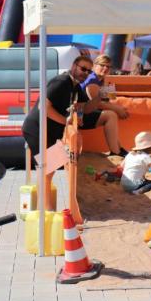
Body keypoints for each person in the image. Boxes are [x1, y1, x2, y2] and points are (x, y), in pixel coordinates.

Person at [22, 55, 99, 206]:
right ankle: (46, 210)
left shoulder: (75, 85)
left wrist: (100, 97)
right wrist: (66, 121)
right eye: (83, 68)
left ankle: (43, 208)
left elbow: (86, 107)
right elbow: (43, 107)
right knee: (47, 170)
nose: (85, 73)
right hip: (37, 128)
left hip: (49, 130)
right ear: (74, 66)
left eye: (89, 72)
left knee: (49, 169)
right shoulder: (62, 81)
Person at [79, 54, 130, 157]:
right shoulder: (91, 79)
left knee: (112, 114)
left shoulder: (104, 80)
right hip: (79, 116)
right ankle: (116, 151)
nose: (105, 68)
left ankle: (118, 148)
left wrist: (120, 109)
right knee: (111, 115)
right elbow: (97, 104)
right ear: (94, 66)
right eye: (102, 65)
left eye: (108, 66)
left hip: (85, 112)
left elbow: (109, 100)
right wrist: (118, 109)